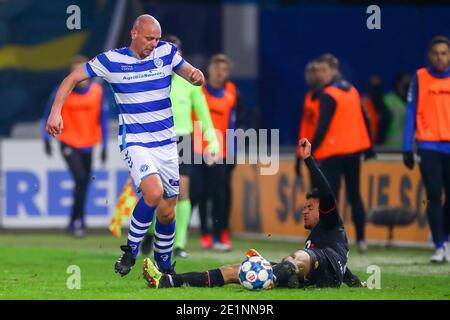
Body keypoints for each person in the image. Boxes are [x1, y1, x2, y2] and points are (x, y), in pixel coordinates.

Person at [46, 15, 205, 276]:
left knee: (167, 212)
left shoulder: (167, 52)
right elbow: (71, 79)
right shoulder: (111, 60)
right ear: (134, 33)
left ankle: (165, 268)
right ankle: (131, 250)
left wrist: (196, 76)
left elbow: (190, 74)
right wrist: (56, 112)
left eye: (156, 38)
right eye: (148, 38)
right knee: (152, 193)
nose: (153, 44)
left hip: (166, 142)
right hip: (136, 140)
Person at [142, 138, 365, 289]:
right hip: (309, 276)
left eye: (310, 207)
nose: (304, 211)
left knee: (299, 257)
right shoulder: (324, 239)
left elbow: (326, 192)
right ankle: (169, 281)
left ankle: (269, 278)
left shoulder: (331, 222)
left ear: (323, 209)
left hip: (314, 266)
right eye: (304, 207)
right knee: (234, 270)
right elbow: (343, 268)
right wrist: (355, 283)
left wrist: (308, 160)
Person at [139, 35, 219, 258]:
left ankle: (179, 244)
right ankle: (151, 232)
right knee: (156, 193)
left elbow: (204, 114)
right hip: (155, 140)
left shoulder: (190, 83)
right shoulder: (150, 78)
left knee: (181, 192)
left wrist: (212, 140)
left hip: (182, 141)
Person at [311, 53, 374, 253]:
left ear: (333, 70)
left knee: (331, 199)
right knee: (355, 195)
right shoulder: (351, 90)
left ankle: (331, 240)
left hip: (334, 152)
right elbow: (364, 117)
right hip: (354, 151)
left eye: (324, 70)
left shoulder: (329, 94)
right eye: (319, 70)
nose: (320, 74)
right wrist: (369, 145)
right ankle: (362, 239)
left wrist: (311, 150)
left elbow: (322, 127)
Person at [42, 55, 109, 238]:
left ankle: (75, 220)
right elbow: (48, 113)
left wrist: (104, 146)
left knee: (84, 183)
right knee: (80, 178)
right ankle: (79, 221)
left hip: (88, 143)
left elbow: (102, 119)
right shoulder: (62, 91)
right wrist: (46, 139)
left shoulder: (97, 91)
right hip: (68, 141)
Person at [403, 35, 450, 263]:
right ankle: (439, 246)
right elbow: (411, 111)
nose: (440, 57)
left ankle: (446, 240)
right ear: (429, 56)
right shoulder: (420, 77)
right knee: (433, 195)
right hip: (428, 145)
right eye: (436, 53)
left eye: (444, 53)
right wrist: (406, 146)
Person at [190, 54, 242, 251]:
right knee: (200, 193)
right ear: (209, 70)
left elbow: (233, 123)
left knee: (220, 195)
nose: (221, 74)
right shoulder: (197, 90)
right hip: (196, 149)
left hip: (221, 151)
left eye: (225, 70)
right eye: (217, 69)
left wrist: (232, 152)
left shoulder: (232, 92)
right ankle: (205, 234)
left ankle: (221, 234)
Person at [295, 60, 321, 185]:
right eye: (309, 72)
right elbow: (305, 127)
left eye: (314, 72)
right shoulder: (308, 97)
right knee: (315, 190)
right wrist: (299, 156)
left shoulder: (327, 96)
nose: (311, 76)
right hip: (312, 152)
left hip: (323, 152)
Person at [382, 72, 411, 149]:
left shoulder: (414, 102)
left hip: (408, 149)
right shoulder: (387, 101)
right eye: (405, 86)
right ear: (397, 84)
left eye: (409, 86)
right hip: (388, 149)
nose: (407, 89)